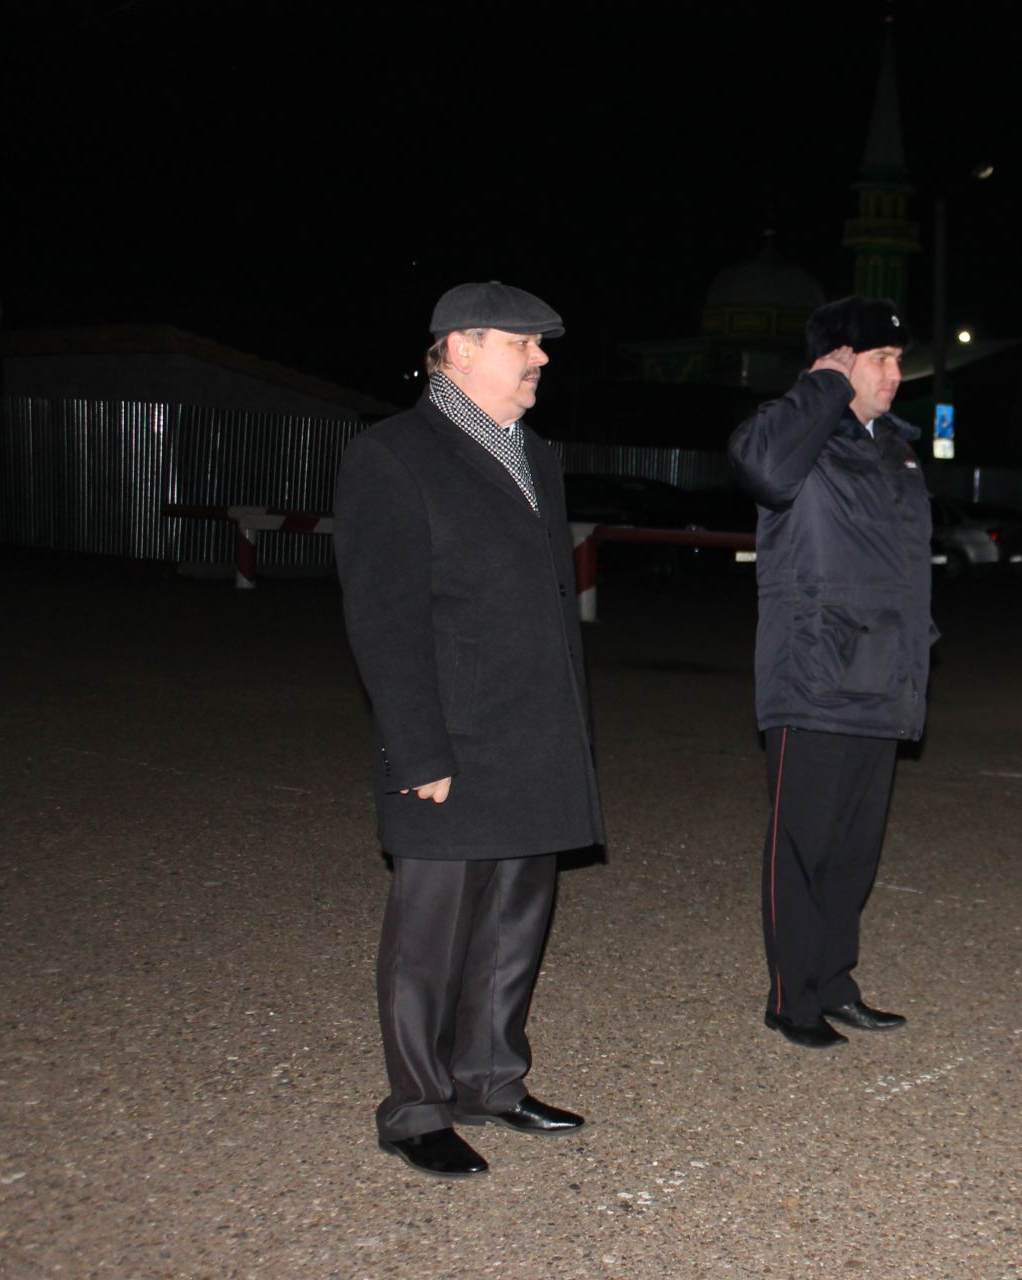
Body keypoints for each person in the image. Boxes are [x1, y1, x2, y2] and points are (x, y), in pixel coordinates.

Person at [333, 281, 604, 1178]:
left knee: (517, 922)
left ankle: (492, 1078)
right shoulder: (395, 456)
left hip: (532, 735)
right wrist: (416, 750)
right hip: (450, 740)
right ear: (459, 346)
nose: (541, 358)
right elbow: (385, 619)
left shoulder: (535, 454)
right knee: (431, 940)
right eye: (524, 342)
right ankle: (415, 1108)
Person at [727, 295, 935, 1050]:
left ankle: (833, 980)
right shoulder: (799, 434)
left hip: (883, 675)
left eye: (898, 359)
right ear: (840, 361)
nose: (896, 374)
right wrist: (821, 385)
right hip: (814, 676)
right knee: (803, 846)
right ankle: (792, 997)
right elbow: (760, 468)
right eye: (880, 359)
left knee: (852, 851)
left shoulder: (896, 446)